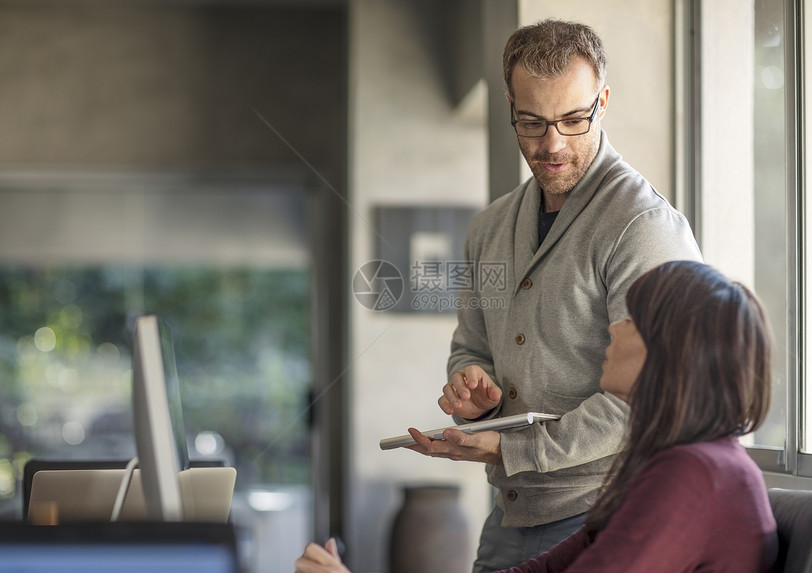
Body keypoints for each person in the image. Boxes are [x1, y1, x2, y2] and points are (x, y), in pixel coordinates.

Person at [407, 18, 702, 571]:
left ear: (604, 101)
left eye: (573, 119)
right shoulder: (489, 228)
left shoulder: (642, 226)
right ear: (510, 109)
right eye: (532, 122)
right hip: (510, 515)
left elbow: (654, 394)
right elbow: (471, 344)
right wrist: (475, 390)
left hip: (613, 517)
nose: (552, 144)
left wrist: (510, 450)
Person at [296, 261, 778, 573]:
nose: (613, 326)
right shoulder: (680, 463)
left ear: (670, 350)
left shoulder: (695, 474)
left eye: (631, 318)